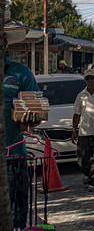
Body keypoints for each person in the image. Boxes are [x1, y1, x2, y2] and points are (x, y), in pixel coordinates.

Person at [4, 31, 41, 230]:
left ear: (5, 45)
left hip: (13, 157)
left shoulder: (20, 72)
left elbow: (35, 112)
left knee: (16, 214)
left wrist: (30, 119)